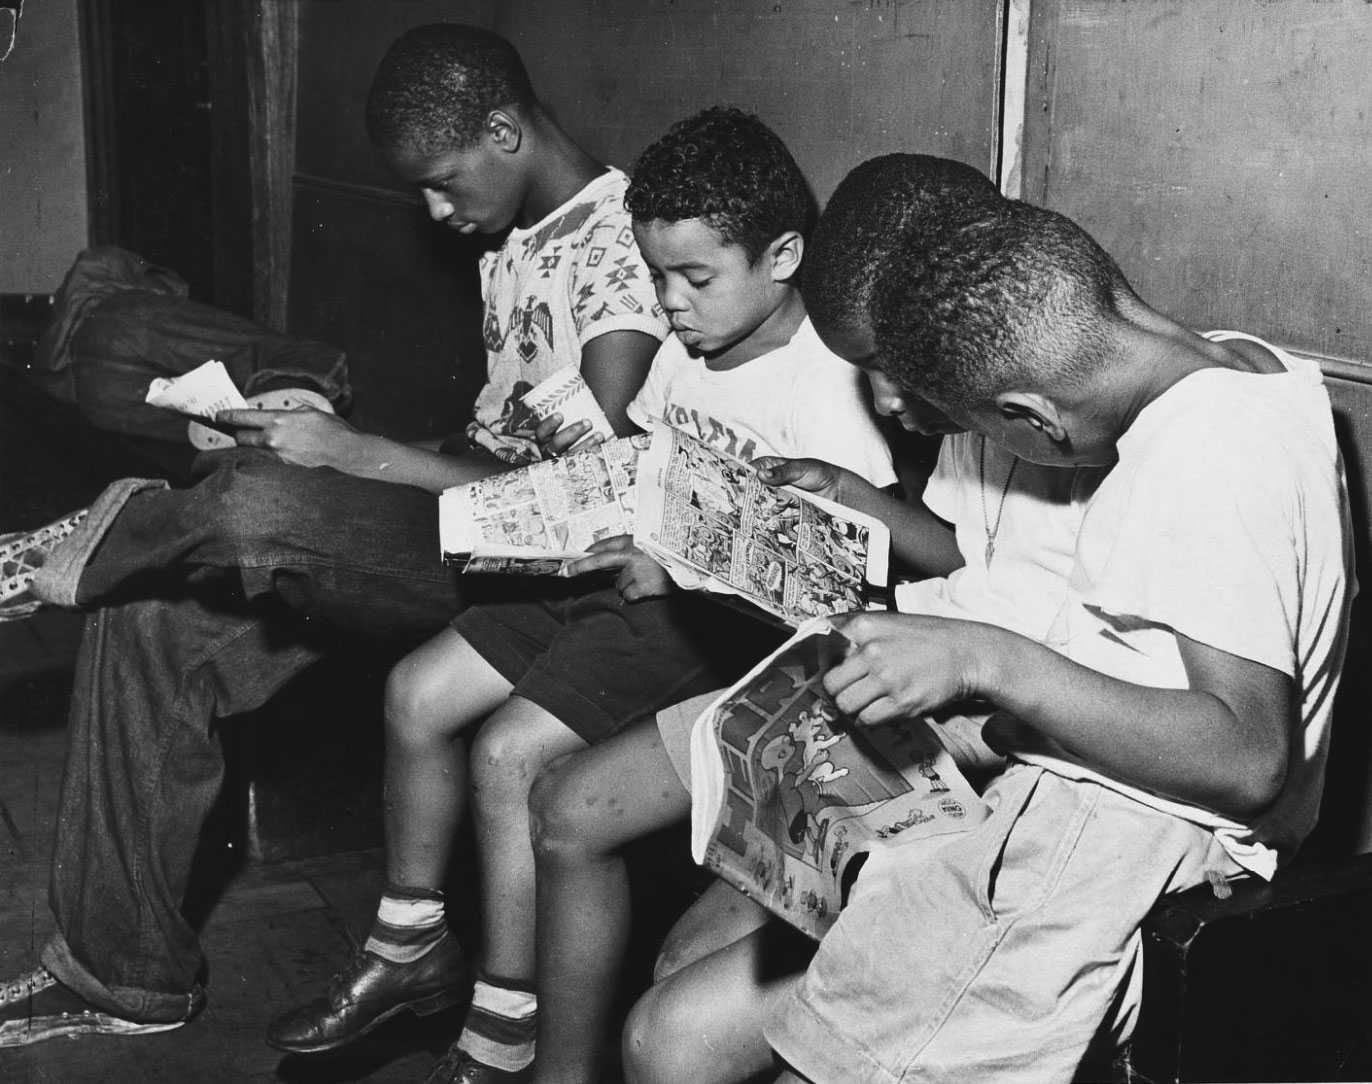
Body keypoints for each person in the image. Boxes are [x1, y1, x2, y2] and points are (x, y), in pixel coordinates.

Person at [0, 23, 667, 1047]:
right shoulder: (520, 238)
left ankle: (84, 544)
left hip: (525, 572)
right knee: (154, 615)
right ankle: (120, 971)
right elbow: (492, 442)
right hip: (454, 514)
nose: (437, 215)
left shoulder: (622, 258)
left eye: (442, 184)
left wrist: (353, 457)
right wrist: (335, 444)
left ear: (503, 129)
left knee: (251, 505)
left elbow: (582, 500)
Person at [628, 198, 1354, 1083]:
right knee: (691, 1019)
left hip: (1120, 841)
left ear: (1033, 419)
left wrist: (985, 659)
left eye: (977, 427)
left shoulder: (1208, 456)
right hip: (1079, 791)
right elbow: (1139, 663)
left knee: (733, 1049)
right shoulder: (1234, 371)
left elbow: (1249, 757)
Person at [265, 106, 899, 1084]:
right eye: (657, 279)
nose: (671, 306)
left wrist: (677, 559)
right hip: (640, 577)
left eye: (695, 279)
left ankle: (504, 1030)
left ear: (782, 257)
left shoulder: (825, 385)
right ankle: (411, 947)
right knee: (419, 688)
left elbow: (841, 576)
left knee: (513, 749)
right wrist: (567, 522)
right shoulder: (692, 343)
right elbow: (644, 462)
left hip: (726, 631)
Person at [520, 153, 1113, 1084]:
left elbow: (1032, 650)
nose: (885, 401)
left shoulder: (1063, 427)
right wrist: (842, 503)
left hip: (967, 750)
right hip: (875, 696)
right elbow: (963, 556)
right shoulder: (973, 420)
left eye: (896, 373)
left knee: (669, 1020)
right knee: (577, 815)